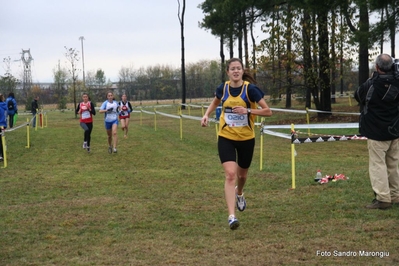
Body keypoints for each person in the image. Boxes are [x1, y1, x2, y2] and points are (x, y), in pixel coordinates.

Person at [200, 58, 272, 230]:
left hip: (246, 139)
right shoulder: (222, 88)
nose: (236, 71)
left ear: (242, 71)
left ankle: (239, 193)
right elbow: (216, 101)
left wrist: (247, 110)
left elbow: (268, 111)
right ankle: (232, 216)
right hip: (226, 137)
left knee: (242, 176)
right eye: (232, 69)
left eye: (238, 69)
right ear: (228, 72)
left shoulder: (251, 90)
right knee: (231, 174)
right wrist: (206, 114)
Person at [355, 53, 399, 210]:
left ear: (377, 67)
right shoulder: (397, 81)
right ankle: (395, 195)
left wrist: (372, 78)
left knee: (378, 165)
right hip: (394, 129)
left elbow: (358, 95)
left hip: (376, 130)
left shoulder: (373, 84)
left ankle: (383, 198)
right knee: (393, 164)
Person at [0, 94, 7, 161]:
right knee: (2, 140)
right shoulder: (4, 106)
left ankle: (1, 156)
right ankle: (3, 154)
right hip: (3, 124)